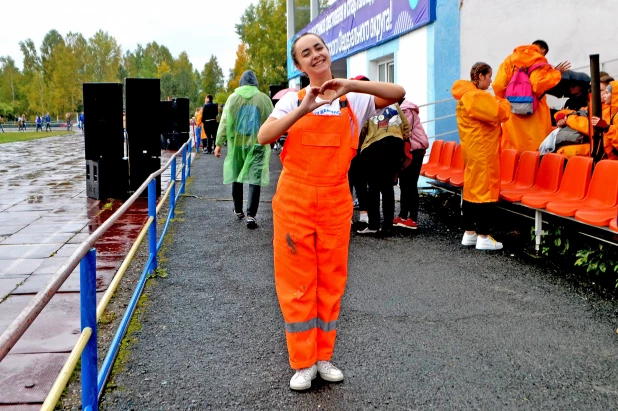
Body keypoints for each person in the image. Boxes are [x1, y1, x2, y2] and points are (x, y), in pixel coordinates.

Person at [257, 32, 405, 391]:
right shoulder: (291, 99)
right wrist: (302, 109)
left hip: (337, 198)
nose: (315, 56)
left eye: (319, 48)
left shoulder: (353, 95)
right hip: (295, 199)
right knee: (297, 283)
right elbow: (265, 135)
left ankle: (323, 357)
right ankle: (302, 363)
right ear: (298, 64)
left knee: (331, 281)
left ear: (328, 52)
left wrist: (350, 84)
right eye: (306, 53)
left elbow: (398, 94)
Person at [453, 62, 510, 250]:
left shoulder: (464, 97)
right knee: (486, 191)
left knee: (471, 190)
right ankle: (484, 236)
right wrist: (503, 101)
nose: (491, 81)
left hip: (472, 150)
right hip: (483, 150)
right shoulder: (476, 97)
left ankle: (469, 233)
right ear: (481, 77)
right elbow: (499, 112)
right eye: (489, 76)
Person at [214, 70, 273, 229]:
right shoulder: (263, 99)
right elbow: (272, 120)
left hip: (238, 145)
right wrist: (272, 141)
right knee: (255, 179)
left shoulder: (233, 99)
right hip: (258, 145)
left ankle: (238, 209)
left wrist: (219, 143)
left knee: (236, 176)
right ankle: (251, 215)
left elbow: (225, 122)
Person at [492, 40, 568, 153]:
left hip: (512, 111)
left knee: (512, 150)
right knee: (535, 150)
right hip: (535, 112)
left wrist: (509, 100)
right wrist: (555, 73)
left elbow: (498, 85)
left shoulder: (510, 59)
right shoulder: (539, 60)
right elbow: (537, 85)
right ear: (542, 50)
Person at [357, 98, 409, 236]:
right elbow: (405, 125)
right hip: (395, 145)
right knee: (387, 187)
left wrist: (361, 145)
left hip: (374, 146)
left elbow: (363, 128)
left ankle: (374, 225)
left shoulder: (369, 104)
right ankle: (388, 226)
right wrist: (400, 139)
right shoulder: (394, 104)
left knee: (373, 187)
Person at [394, 98, 429, 229]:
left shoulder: (406, 110)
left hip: (415, 150)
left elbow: (405, 129)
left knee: (410, 183)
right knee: (404, 183)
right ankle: (403, 216)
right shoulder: (402, 108)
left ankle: (413, 218)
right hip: (409, 150)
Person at [592, 79, 618, 160]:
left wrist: (606, 126)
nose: (603, 96)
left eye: (607, 93)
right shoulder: (613, 113)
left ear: (615, 95)